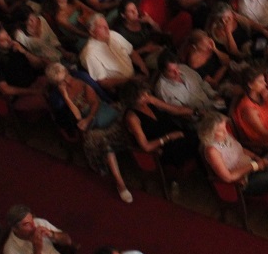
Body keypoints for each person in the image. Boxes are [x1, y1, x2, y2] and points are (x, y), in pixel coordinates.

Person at [45, 64, 131, 202]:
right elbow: (77, 117)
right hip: (89, 124)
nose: (67, 81)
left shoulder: (81, 79)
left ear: (67, 72)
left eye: (66, 77)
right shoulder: (58, 97)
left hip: (99, 112)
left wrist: (89, 119)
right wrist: (66, 97)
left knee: (128, 119)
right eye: (61, 81)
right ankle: (120, 182)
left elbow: (95, 102)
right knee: (101, 141)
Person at [198, 114, 268, 233]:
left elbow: (241, 150)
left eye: (225, 128)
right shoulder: (212, 151)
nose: (225, 132)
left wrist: (256, 157)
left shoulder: (225, 136)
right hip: (244, 181)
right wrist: (254, 166)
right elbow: (228, 177)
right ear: (209, 133)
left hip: (252, 165)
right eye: (220, 131)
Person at [120, 80, 197, 169]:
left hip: (176, 133)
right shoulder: (132, 117)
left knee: (198, 137)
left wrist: (196, 112)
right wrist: (168, 137)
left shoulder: (149, 100)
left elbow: (175, 110)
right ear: (133, 100)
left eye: (145, 93)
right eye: (142, 96)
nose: (146, 96)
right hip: (163, 146)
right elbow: (146, 147)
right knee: (194, 143)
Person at [82, 15, 145, 92]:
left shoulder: (113, 34)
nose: (107, 29)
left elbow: (131, 51)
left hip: (136, 76)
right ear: (92, 32)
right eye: (101, 27)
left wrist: (143, 67)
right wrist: (130, 80)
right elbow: (103, 82)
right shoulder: (90, 53)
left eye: (106, 25)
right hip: (123, 89)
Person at [154, 50, 220, 114]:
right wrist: (200, 113)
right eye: (171, 71)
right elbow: (180, 111)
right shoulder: (162, 89)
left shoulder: (184, 68)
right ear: (163, 71)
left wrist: (215, 95)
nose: (177, 72)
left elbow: (202, 83)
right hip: (197, 116)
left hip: (211, 104)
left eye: (177, 67)